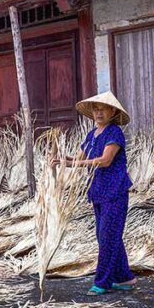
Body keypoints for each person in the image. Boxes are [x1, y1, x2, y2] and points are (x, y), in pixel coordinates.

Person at [54, 92, 135, 295]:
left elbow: (105, 160)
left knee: (108, 236)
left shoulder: (114, 133)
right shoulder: (92, 135)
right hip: (98, 191)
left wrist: (74, 163)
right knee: (106, 235)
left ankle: (102, 282)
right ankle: (125, 278)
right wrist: (63, 159)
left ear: (113, 111)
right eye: (96, 109)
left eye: (103, 109)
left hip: (115, 190)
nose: (99, 113)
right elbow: (81, 158)